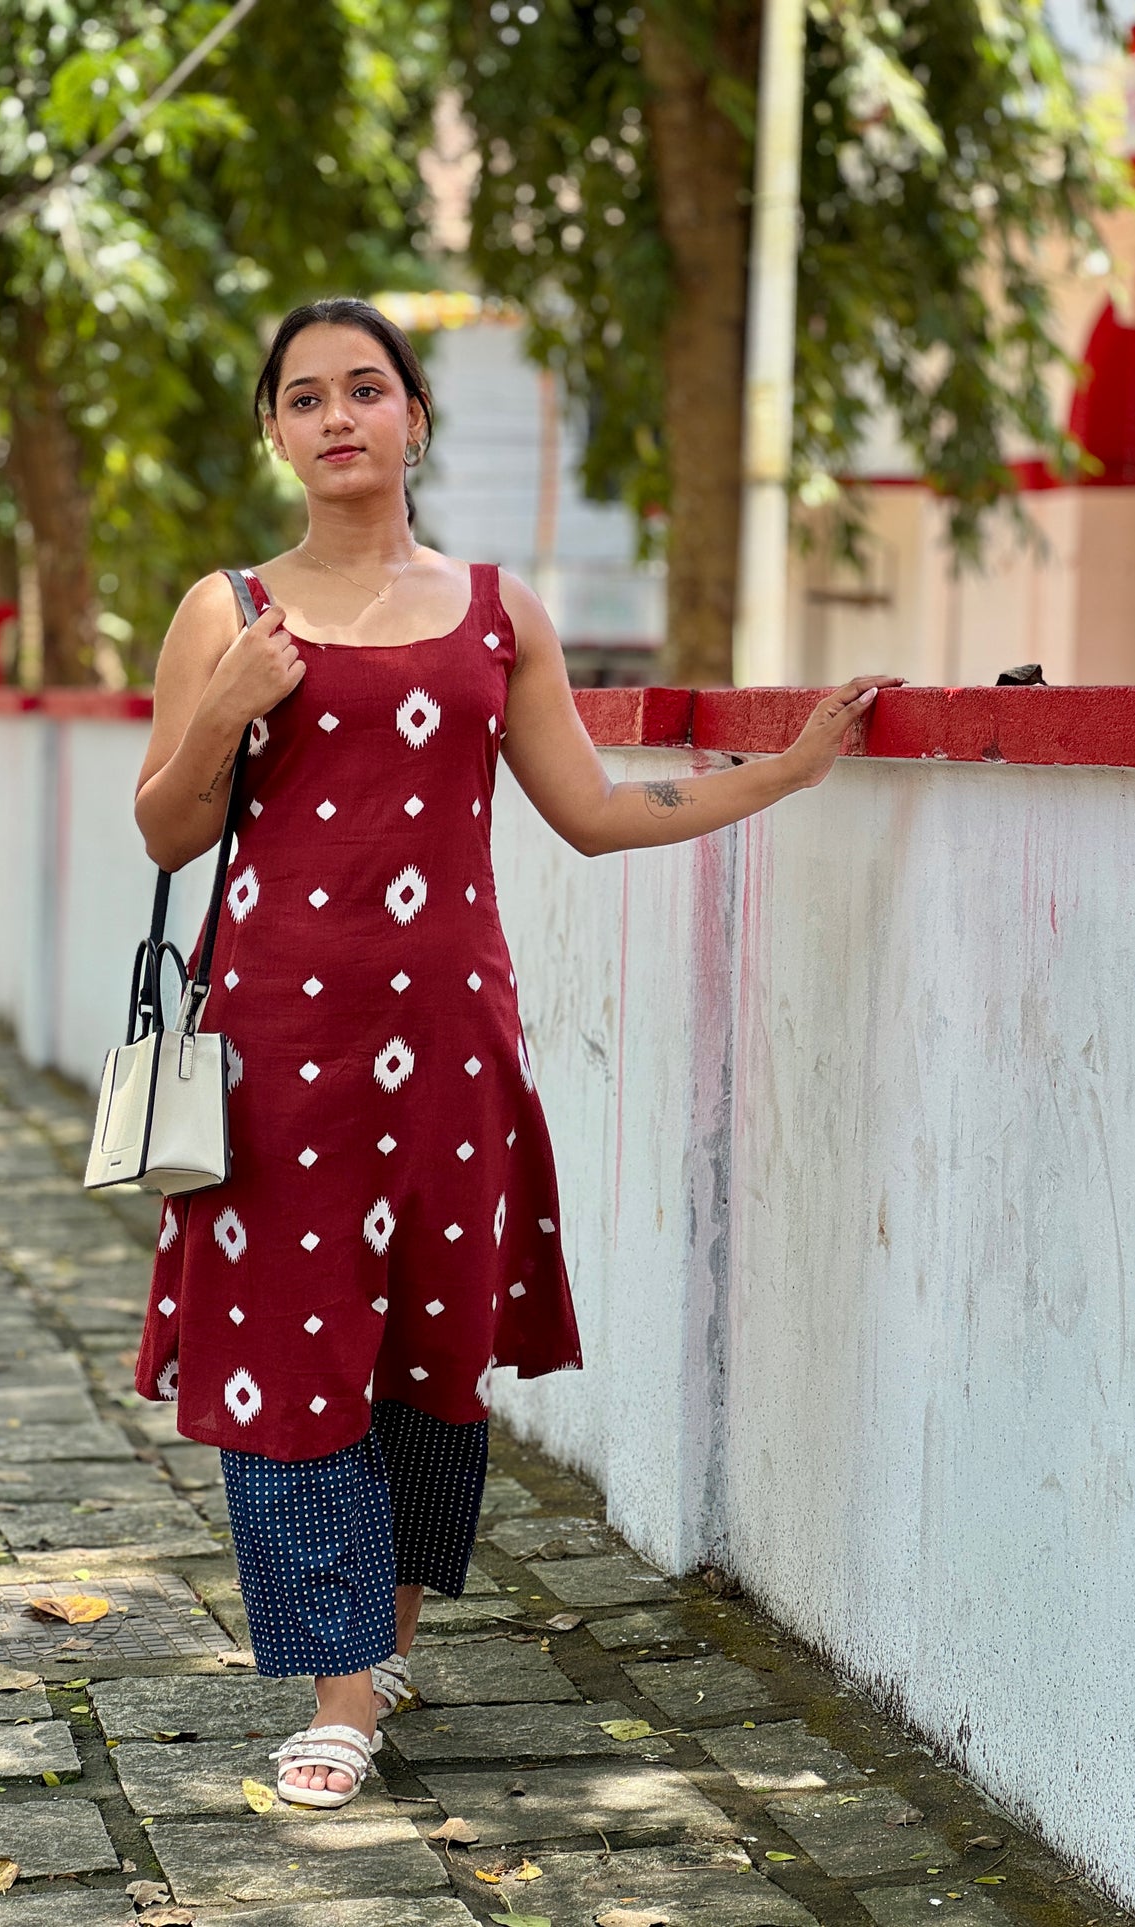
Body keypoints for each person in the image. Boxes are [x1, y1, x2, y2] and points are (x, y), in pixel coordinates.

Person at [131, 296, 904, 1808]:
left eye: (366, 388)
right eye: (305, 396)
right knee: (294, 1355)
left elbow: (594, 811)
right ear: (275, 432)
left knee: (428, 1354)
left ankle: (384, 1646)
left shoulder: (500, 612)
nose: (338, 416)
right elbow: (166, 829)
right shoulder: (229, 611)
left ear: (415, 417)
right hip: (274, 1055)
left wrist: (786, 772)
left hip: (452, 1052)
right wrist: (225, 707)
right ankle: (339, 1690)